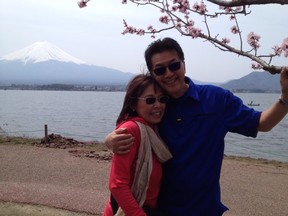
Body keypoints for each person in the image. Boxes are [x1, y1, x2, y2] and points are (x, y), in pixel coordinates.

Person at [104, 37, 288, 216]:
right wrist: (110, 139)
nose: (168, 74)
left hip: (204, 208)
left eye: (174, 65)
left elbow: (262, 123)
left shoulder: (216, 99)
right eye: (160, 70)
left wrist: (285, 96)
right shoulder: (155, 109)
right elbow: (132, 128)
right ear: (153, 75)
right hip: (160, 210)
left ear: (184, 64)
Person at [103, 73, 172, 216]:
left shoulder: (155, 129)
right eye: (150, 100)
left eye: (162, 99)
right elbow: (117, 184)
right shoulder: (131, 130)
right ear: (134, 104)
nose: (158, 105)